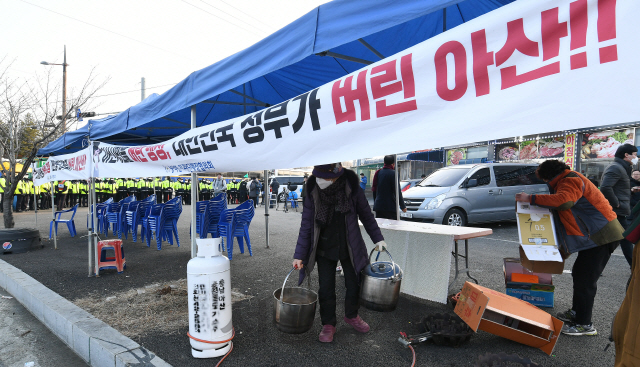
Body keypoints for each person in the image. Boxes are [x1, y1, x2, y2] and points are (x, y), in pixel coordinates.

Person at [515, 159, 623, 336]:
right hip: (596, 236)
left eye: (544, 180)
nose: (546, 184)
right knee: (580, 274)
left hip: (602, 236)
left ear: (550, 176)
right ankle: (576, 313)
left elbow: (564, 202)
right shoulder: (565, 181)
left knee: (585, 280)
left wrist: (530, 198)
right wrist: (563, 248)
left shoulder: (570, 180)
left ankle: (585, 324)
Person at [292, 163, 387, 343]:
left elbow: (366, 215)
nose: (320, 181)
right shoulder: (313, 189)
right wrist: (299, 255)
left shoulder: (351, 188)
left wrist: (378, 238)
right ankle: (328, 324)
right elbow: (306, 225)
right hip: (324, 247)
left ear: (335, 176)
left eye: (324, 177)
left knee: (354, 283)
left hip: (350, 245)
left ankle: (352, 315)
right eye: (317, 176)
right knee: (326, 288)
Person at [601, 144, 637, 268]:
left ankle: (634, 266)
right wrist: (616, 203)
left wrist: (631, 191)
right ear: (626, 155)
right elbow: (605, 187)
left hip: (619, 211)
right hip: (616, 211)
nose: (636, 158)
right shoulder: (616, 167)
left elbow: (616, 187)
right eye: (635, 155)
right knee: (623, 239)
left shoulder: (622, 167)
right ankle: (635, 266)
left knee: (615, 241)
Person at [373, 155, 407, 219]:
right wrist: (403, 206)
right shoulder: (394, 173)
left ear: (384, 163)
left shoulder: (378, 172)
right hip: (390, 207)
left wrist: (376, 202)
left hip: (379, 206)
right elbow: (397, 191)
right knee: (393, 227)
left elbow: (374, 190)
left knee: (379, 227)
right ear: (393, 164)